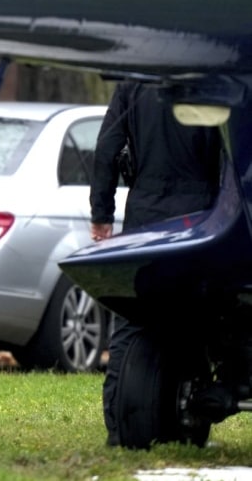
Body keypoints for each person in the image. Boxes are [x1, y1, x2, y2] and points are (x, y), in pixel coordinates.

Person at [90, 80, 221, 447]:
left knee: (134, 315)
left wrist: (102, 213)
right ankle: (186, 416)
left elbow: (107, 148)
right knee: (194, 315)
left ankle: (120, 426)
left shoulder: (134, 80)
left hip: (145, 213)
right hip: (202, 210)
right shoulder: (214, 77)